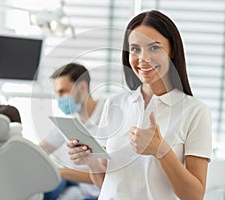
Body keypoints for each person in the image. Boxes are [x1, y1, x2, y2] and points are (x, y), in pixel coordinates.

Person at [67, 10, 212, 200]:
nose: (142, 58)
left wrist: (162, 151)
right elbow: (107, 183)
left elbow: (194, 195)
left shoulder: (195, 111)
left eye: (154, 48)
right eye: (135, 49)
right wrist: (91, 162)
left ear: (172, 51)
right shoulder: (114, 104)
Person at [39, 63, 104, 200]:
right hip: (80, 188)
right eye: (57, 93)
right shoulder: (70, 122)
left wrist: (60, 172)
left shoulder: (108, 116)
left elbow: (104, 175)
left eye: (63, 91)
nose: (59, 98)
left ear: (82, 87)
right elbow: (40, 150)